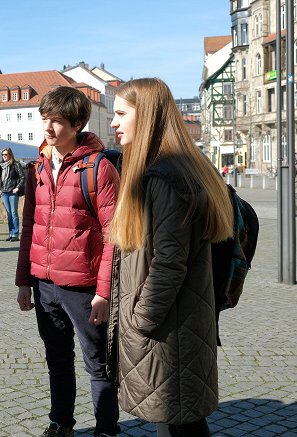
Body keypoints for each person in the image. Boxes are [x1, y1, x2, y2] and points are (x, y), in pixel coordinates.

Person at [109, 78, 234, 437]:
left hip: (168, 332)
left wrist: (140, 319)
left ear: (145, 115)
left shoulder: (163, 178)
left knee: (182, 424)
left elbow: (169, 263)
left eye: (121, 114)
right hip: (178, 325)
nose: (114, 123)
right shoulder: (179, 169)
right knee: (180, 421)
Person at [15, 86, 121, 437]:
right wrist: (24, 281)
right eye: (44, 119)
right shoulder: (38, 167)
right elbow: (29, 224)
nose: (47, 127)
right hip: (45, 285)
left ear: (77, 124)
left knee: (98, 365)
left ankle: (106, 429)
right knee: (57, 361)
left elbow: (114, 236)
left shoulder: (99, 169)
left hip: (84, 288)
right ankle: (61, 424)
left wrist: (103, 292)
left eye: (57, 121)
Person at [0, 147, 25, 242]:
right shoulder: (1, 165)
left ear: (10, 155)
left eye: (6, 154)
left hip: (12, 192)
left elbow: (22, 177)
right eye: (2, 155)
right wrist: (0, 189)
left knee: (14, 213)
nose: (4, 156)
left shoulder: (15, 164)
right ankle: (10, 233)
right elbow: (0, 179)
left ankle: (15, 234)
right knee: (9, 214)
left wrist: (17, 187)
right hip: (4, 192)